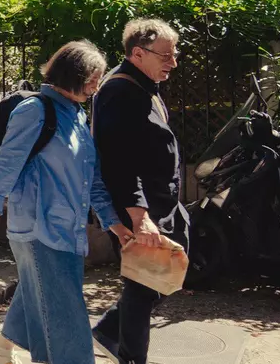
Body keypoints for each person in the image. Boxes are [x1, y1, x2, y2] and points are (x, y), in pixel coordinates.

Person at [0, 40, 133, 364]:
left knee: (40, 297)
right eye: (93, 77)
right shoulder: (35, 110)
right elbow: (6, 163)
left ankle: (0, 352)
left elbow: (92, 177)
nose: (97, 85)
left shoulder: (76, 115)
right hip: (39, 230)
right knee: (67, 318)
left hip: (66, 231)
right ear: (73, 74)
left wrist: (113, 222)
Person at [91, 19, 189, 364]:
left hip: (164, 202)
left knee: (163, 274)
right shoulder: (120, 91)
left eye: (174, 54)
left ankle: (109, 331)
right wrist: (139, 216)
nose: (173, 62)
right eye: (166, 55)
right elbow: (119, 160)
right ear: (137, 53)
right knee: (143, 284)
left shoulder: (143, 85)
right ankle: (130, 355)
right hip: (143, 207)